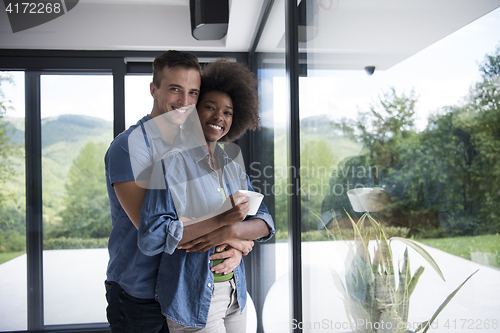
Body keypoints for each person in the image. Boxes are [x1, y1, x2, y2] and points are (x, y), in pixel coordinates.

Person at [138, 59, 275, 332]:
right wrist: (221, 220)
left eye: (228, 112)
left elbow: (265, 222)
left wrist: (232, 234)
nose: (219, 117)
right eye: (210, 107)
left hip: (236, 294)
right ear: (193, 111)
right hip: (192, 300)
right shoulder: (170, 165)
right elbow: (152, 236)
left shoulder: (233, 167)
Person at [104, 50, 203, 333]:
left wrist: (235, 241)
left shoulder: (196, 146)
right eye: (175, 89)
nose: (185, 102)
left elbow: (213, 210)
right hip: (140, 295)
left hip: (184, 288)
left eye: (193, 92)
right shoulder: (127, 147)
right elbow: (154, 231)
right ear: (153, 89)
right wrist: (226, 229)